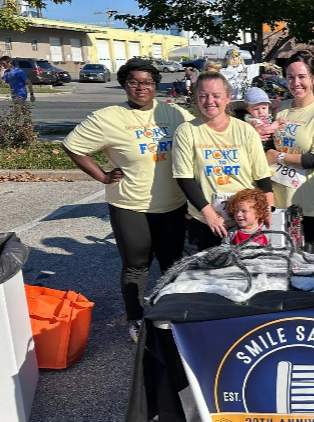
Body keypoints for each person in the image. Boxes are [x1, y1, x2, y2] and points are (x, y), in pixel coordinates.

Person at [62, 58, 194, 341]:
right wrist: (102, 176)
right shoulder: (108, 117)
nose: (141, 87)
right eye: (133, 82)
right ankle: (135, 319)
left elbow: (200, 140)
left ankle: (172, 315)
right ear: (124, 85)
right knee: (136, 267)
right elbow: (72, 145)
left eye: (147, 82)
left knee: (173, 263)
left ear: (156, 85)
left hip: (172, 205)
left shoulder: (174, 113)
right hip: (130, 206)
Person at [172, 71, 273, 251]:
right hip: (207, 220)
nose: (210, 101)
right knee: (212, 276)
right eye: (203, 96)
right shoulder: (186, 131)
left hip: (245, 220)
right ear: (196, 98)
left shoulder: (246, 130)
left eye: (216, 95)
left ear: (228, 98)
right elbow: (184, 178)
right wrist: (210, 215)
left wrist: (268, 210)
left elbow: (262, 176)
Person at [268, 50, 314, 248]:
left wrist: (278, 156)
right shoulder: (280, 108)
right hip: (277, 196)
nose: (295, 83)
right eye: (290, 77)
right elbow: (267, 146)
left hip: (305, 201)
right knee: (276, 255)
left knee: (300, 259)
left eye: (302, 77)